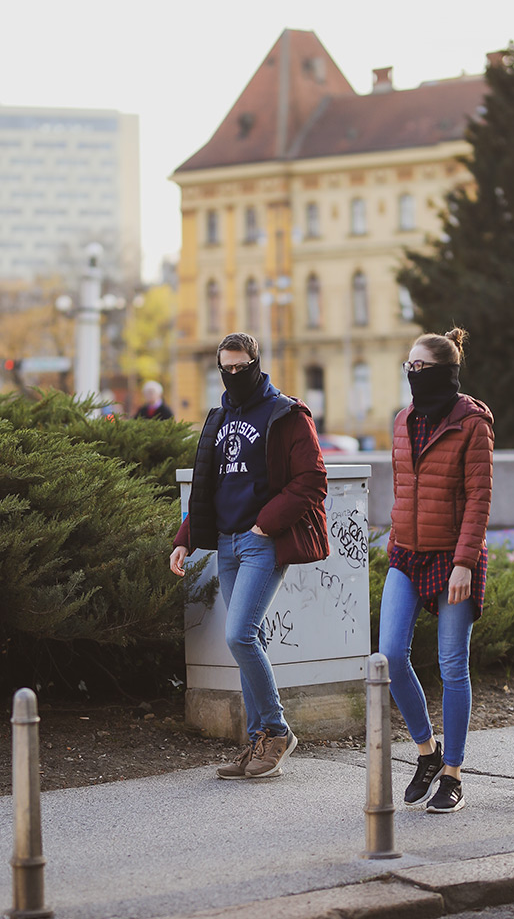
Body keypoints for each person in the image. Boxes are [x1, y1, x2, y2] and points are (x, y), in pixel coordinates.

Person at [170, 332, 329, 780]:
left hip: (262, 541)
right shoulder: (219, 417)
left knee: (240, 635)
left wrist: (266, 523)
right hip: (226, 542)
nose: (235, 375)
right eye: (227, 368)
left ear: (257, 363)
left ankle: (277, 731)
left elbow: (313, 479)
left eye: (243, 367)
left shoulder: (286, 414)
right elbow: (208, 489)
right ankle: (258, 742)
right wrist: (185, 537)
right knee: (247, 642)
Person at [378, 328, 493, 813]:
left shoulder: (472, 423)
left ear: (443, 373)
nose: (411, 373)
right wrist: (394, 541)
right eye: (408, 365)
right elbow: (403, 491)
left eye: (419, 367)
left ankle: (453, 774)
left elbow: (479, 499)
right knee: (388, 655)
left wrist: (465, 561)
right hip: (407, 554)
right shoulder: (403, 420)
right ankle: (427, 752)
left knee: (451, 666)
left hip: (453, 559)